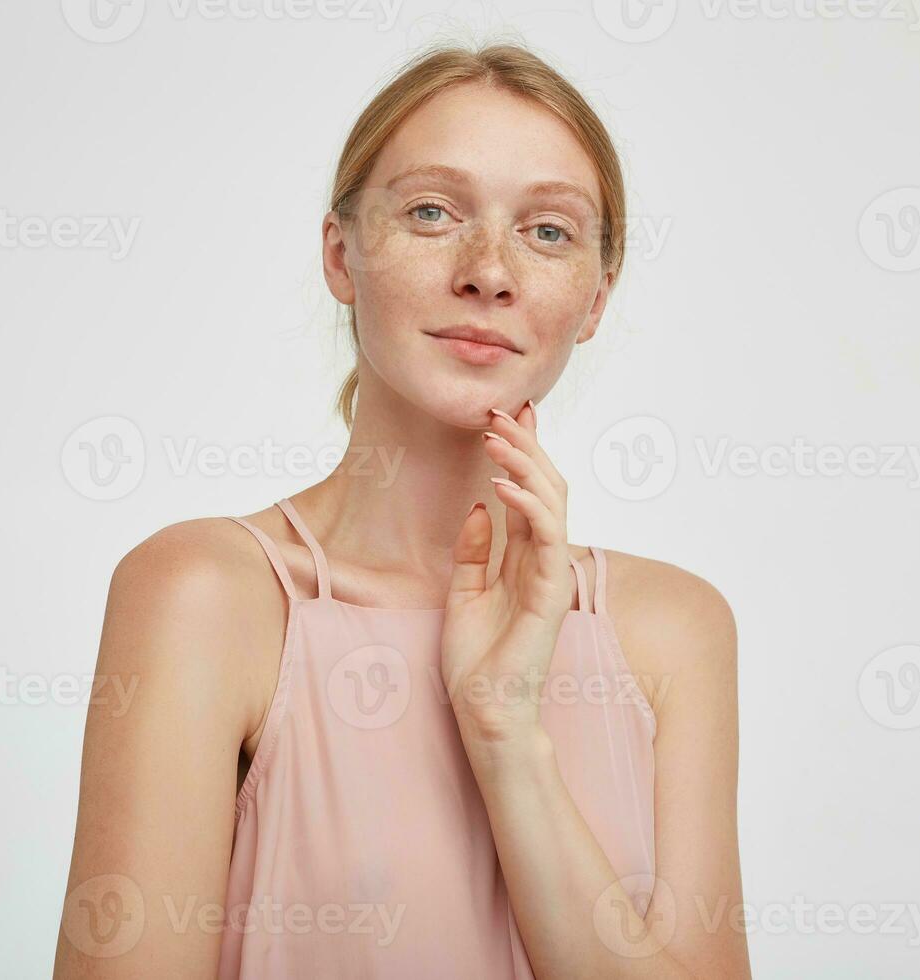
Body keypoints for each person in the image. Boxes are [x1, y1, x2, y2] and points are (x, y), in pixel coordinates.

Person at [54, 41, 749, 980]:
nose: (488, 272)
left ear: (595, 298)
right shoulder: (206, 595)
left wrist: (507, 739)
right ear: (342, 256)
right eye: (432, 212)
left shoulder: (674, 628)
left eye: (548, 231)